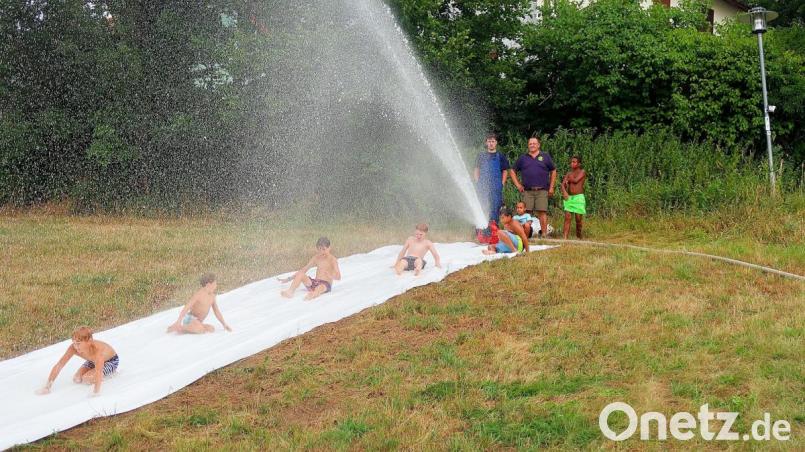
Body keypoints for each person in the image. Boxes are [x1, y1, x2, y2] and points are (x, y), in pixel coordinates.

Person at [36, 327, 118, 396]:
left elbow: (99, 372)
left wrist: (95, 393)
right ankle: (93, 373)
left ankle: (111, 373)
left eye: (78, 343)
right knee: (76, 379)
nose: (76, 346)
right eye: (74, 343)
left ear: (89, 341)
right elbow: (59, 365)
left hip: (110, 361)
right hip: (92, 360)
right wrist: (47, 387)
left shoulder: (97, 351)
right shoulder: (73, 348)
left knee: (87, 379)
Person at [510, 136, 556, 238]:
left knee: (542, 212)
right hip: (527, 190)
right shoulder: (523, 158)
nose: (532, 145)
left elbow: (553, 170)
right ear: (528, 145)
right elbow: (512, 171)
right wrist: (518, 184)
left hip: (542, 189)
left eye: (534, 143)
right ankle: (525, 235)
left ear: (538, 145)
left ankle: (544, 234)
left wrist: (551, 187)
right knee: (526, 213)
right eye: (530, 143)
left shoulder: (545, 156)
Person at [167, 273, 232, 334]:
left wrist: (224, 324)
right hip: (190, 319)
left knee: (211, 329)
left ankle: (196, 327)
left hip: (198, 322)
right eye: (215, 284)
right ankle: (179, 327)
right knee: (200, 329)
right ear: (208, 284)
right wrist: (179, 321)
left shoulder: (212, 296)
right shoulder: (199, 294)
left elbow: (217, 311)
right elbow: (187, 307)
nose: (216, 286)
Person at [473, 133, 510, 222]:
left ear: (496, 143)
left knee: (496, 205)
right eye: (489, 141)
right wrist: (477, 182)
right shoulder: (481, 155)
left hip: (496, 185)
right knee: (482, 204)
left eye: (493, 141)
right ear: (486, 143)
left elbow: (505, 171)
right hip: (483, 185)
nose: (491, 143)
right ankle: (481, 227)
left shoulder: (500, 156)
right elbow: (476, 169)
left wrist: (502, 183)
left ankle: (494, 226)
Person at [561, 155, 587, 239]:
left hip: (579, 197)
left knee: (578, 219)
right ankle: (565, 238)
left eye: (574, 162)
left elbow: (576, 180)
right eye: (571, 162)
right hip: (569, 197)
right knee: (567, 217)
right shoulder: (568, 173)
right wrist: (564, 192)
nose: (572, 164)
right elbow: (563, 184)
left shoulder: (582, 172)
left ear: (579, 164)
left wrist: (569, 179)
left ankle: (579, 235)